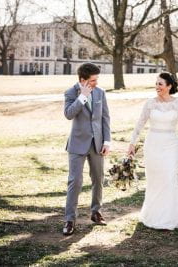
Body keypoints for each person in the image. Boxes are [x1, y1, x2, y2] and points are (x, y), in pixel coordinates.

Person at [127, 72, 178, 230]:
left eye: (160, 84)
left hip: (171, 145)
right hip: (153, 144)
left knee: (169, 177)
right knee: (154, 180)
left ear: (169, 86)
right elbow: (139, 124)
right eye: (156, 84)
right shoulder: (150, 104)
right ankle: (152, 215)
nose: (157, 87)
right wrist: (132, 143)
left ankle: (168, 217)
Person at [62, 63, 111, 235]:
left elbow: (105, 118)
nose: (96, 83)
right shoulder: (70, 93)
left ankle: (96, 212)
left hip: (97, 144)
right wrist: (82, 97)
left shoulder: (100, 92)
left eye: (97, 79)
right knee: (75, 182)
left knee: (98, 178)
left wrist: (107, 141)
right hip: (77, 144)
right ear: (83, 80)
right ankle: (70, 220)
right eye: (92, 80)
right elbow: (68, 114)